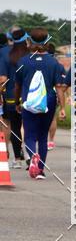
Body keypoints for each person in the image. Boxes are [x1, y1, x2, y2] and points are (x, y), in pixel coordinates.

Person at [14, 28, 66, 179]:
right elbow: (59, 87)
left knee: (29, 135)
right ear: (47, 42)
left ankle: (33, 157)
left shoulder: (23, 62)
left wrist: (17, 101)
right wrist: (62, 107)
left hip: (29, 101)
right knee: (43, 136)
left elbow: (17, 85)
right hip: (48, 101)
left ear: (29, 41)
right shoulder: (54, 63)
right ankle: (40, 170)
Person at [0, 28, 29, 169]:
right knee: (29, 127)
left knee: (11, 125)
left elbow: (2, 79)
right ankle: (30, 155)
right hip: (30, 96)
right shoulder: (31, 53)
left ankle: (14, 158)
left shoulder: (4, 53)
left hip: (11, 95)